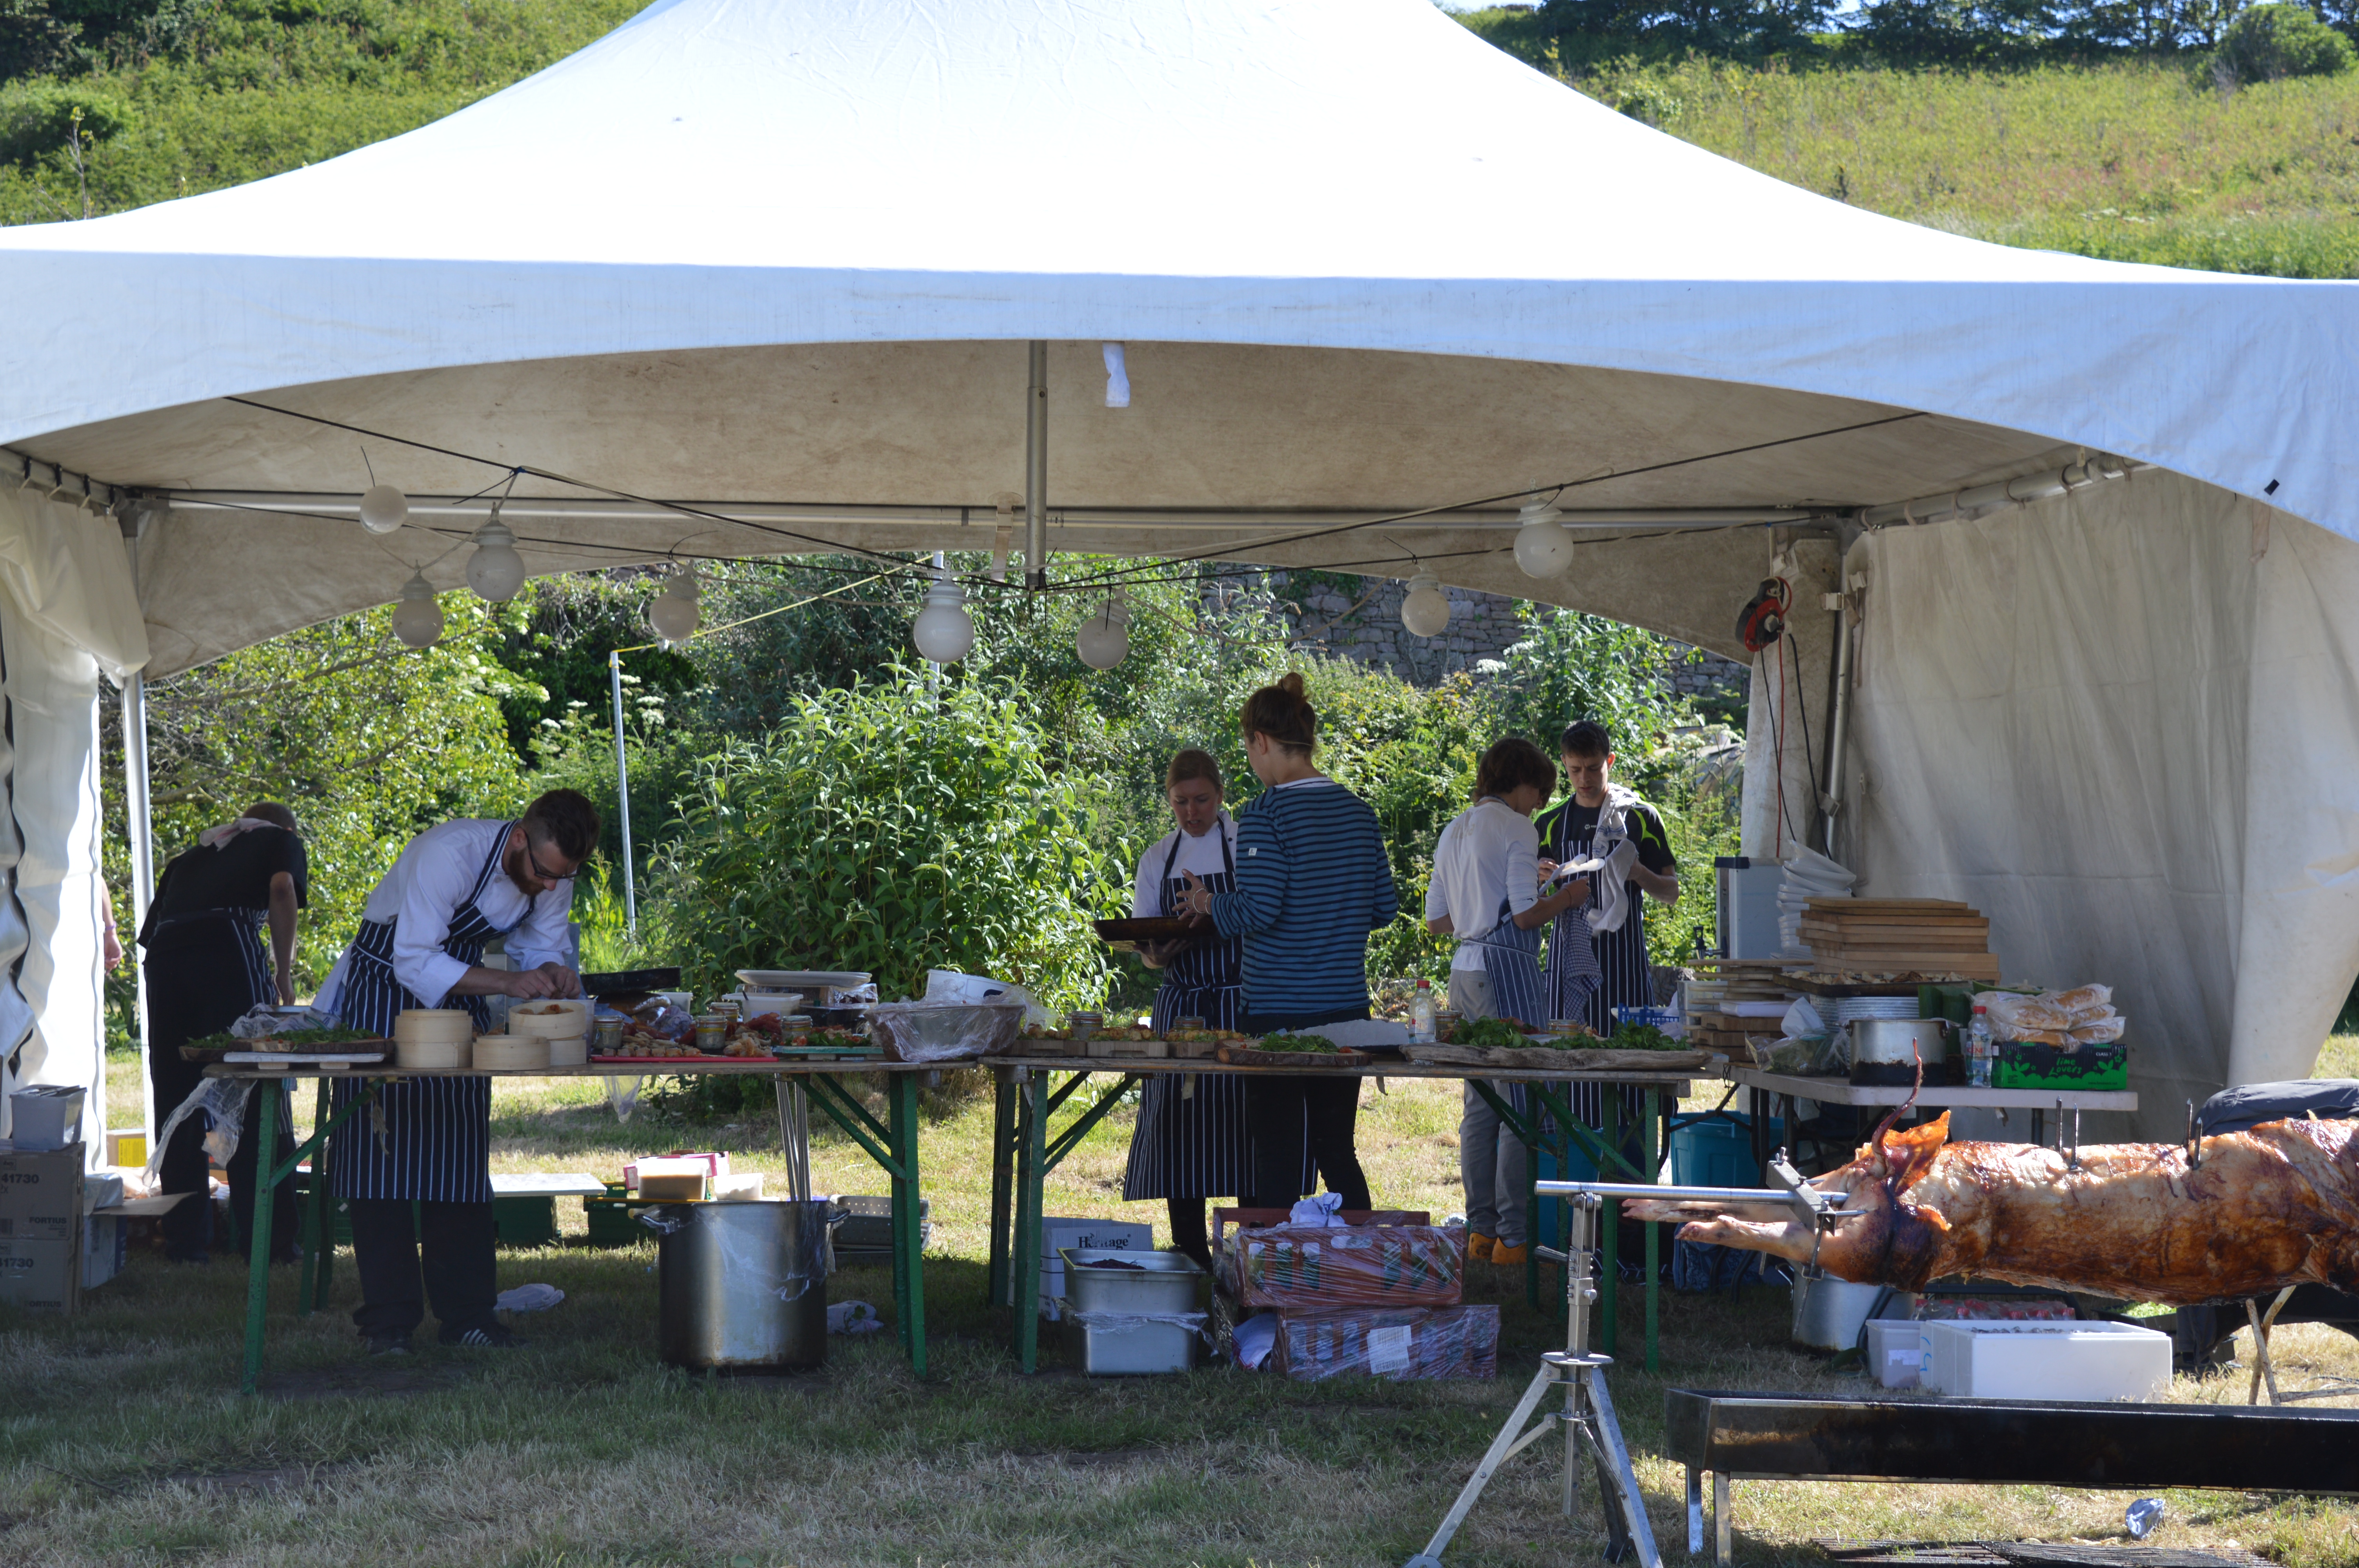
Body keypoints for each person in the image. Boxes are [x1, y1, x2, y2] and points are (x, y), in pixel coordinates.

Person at [317, 789, 598, 1354]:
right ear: (520, 838)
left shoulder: (553, 870)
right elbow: (414, 957)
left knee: (459, 1159)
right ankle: (389, 1325)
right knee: (382, 1157)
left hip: (459, 995)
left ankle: (469, 1317)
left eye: (561, 878)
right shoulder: (449, 853)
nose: (549, 887)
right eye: (544, 873)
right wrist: (505, 983)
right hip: (383, 995)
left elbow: (540, 949)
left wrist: (551, 972)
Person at [1179, 674, 1397, 1212]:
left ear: (1261, 741)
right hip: (1347, 1010)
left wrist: (1209, 904)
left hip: (1278, 1014)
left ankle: (1269, 1280)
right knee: (1336, 1151)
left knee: (1274, 1154)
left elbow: (1258, 909)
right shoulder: (1359, 812)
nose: (1251, 764)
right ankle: (1359, 1271)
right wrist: (1331, 913)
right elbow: (1383, 910)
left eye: (1248, 749)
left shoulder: (1265, 814)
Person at [1121, 750, 1311, 1269]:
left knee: (1249, 1127)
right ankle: (1188, 1254)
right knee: (1180, 1130)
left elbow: (1273, 917)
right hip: (1181, 1006)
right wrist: (1155, 953)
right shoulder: (1158, 858)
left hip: (1243, 1001)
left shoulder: (1249, 847)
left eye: (1201, 800)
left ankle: (1249, 1254)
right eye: (1181, 802)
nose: (1192, 812)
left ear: (1221, 796)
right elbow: (1146, 942)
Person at [1425, 737, 1590, 1266]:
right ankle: (1514, 1240)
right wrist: (1567, 896)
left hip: (1463, 973)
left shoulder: (1455, 828)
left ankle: (1480, 1230)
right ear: (1518, 782)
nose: (1539, 803)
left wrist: (1483, 908)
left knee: (1480, 1105)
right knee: (1519, 1105)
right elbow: (1523, 916)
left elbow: (1437, 921)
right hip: (1505, 974)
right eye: (1539, 792)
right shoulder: (1517, 827)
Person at [136, 802, 308, 1265]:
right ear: (284, 829)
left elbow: (151, 933)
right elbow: (281, 887)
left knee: (177, 1098)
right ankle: (270, 1244)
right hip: (227, 949)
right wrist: (284, 973)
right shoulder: (280, 840)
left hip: (165, 961)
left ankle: (185, 1244)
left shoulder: (190, 858)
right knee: (256, 1085)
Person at [1536, 720, 1680, 1126]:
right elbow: (1529, 899)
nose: (1584, 779)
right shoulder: (1548, 823)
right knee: (1570, 1069)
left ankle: (1632, 1174)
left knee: (1629, 1071)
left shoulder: (1639, 818)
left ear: (1610, 761)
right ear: (1563, 764)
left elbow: (1671, 892)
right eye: (1575, 769)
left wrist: (1638, 873)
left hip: (1625, 964)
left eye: (1593, 768)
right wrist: (1539, 875)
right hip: (1567, 961)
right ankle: (1573, 1157)